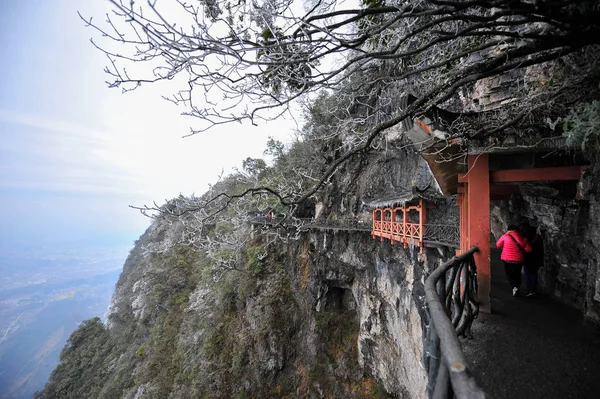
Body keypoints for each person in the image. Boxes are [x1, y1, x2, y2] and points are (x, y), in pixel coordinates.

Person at [496, 224, 532, 297]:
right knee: (517, 274)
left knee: (509, 273)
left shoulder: (505, 237)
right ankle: (517, 286)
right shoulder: (523, 239)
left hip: (506, 259)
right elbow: (529, 249)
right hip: (518, 260)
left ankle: (514, 287)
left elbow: (498, 245)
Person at [523, 227, 544, 297]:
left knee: (527, 274)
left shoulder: (525, 238)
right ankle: (533, 290)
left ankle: (529, 290)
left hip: (527, 258)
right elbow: (541, 250)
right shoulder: (539, 238)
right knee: (533, 274)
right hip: (536, 259)